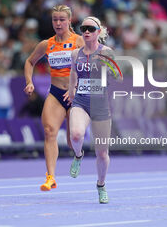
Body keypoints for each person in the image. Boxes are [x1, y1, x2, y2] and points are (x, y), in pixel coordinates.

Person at [24, 4, 84, 191]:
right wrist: (29, 81)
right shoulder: (46, 44)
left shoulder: (79, 41)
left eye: (62, 20)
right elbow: (29, 61)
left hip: (76, 94)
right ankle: (51, 177)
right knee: (49, 131)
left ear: (69, 20)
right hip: (56, 94)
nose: (58, 23)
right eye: (55, 20)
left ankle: (78, 154)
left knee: (71, 140)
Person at [68, 16, 118, 204]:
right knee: (76, 135)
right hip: (81, 101)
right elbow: (73, 72)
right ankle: (78, 155)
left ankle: (101, 184)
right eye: (83, 28)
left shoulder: (107, 52)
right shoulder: (75, 54)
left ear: (98, 32)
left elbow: (115, 77)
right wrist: (71, 89)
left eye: (90, 28)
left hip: (100, 105)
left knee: (102, 153)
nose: (86, 32)